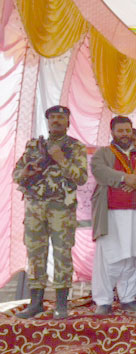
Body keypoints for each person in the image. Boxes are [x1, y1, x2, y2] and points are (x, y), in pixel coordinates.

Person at [12, 105, 88, 319]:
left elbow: (81, 177)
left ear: (68, 122)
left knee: (62, 253)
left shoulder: (74, 147)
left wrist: (61, 159)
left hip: (61, 208)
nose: (56, 121)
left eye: (60, 118)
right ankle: (35, 303)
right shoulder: (34, 145)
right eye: (52, 117)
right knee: (35, 253)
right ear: (47, 121)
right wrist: (25, 172)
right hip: (35, 206)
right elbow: (16, 174)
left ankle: (61, 305)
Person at [90, 116, 136, 315]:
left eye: (127, 130)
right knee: (110, 257)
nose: (125, 135)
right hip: (112, 214)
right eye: (120, 131)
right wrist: (123, 178)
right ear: (112, 132)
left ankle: (128, 298)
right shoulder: (103, 153)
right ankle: (104, 301)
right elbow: (99, 171)